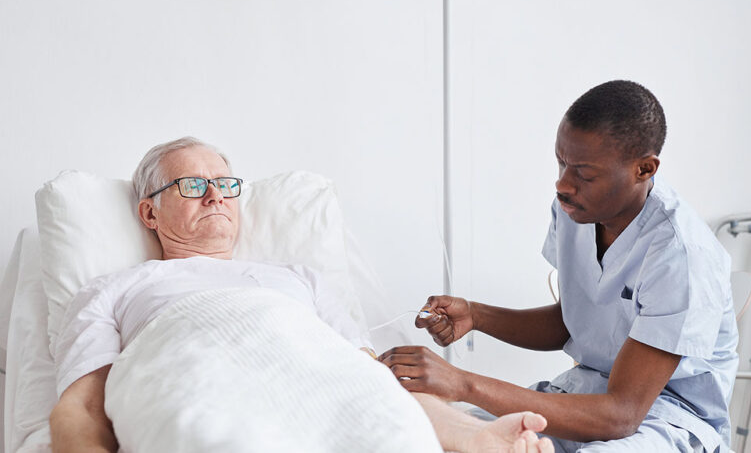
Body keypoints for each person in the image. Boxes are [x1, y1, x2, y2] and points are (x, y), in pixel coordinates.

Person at [48, 137, 554, 453]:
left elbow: (366, 377)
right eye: (193, 184)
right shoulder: (114, 289)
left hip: (308, 371)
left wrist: (463, 433)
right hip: (193, 374)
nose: (216, 196)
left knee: (385, 432)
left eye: (224, 184)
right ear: (149, 214)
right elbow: (83, 408)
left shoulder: (297, 278)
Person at [379, 81, 738, 452]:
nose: (562, 184)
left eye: (583, 173)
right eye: (561, 161)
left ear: (643, 169)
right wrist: (475, 315)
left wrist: (461, 383)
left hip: (665, 420)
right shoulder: (577, 211)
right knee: (437, 437)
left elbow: (622, 414)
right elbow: (576, 319)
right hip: (583, 397)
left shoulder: (681, 254)